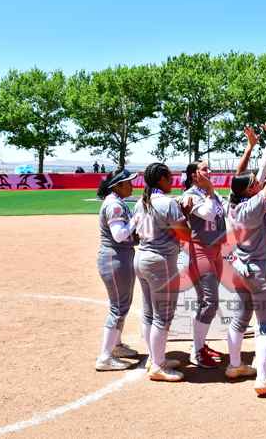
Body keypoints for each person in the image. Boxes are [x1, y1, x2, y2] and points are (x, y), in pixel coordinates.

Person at [225, 124, 266, 396]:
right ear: (249, 190)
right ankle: (263, 377)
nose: (257, 182)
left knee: (240, 317)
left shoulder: (233, 203)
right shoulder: (254, 206)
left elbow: (239, 176)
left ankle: (234, 365)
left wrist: (252, 147)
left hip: (239, 267)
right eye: (254, 183)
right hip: (258, 270)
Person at [133, 162, 192, 382]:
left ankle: (154, 358)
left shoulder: (141, 202)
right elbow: (185, 234)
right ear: (161, 179)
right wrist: (185, 214)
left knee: (149, 313)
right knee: (163, 316)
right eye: (169, 177)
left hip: (142, 257)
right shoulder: (168, 203)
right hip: (160, 262)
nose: (173, 181)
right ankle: (158, 365)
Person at [181, 159, 227, 369]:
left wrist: (211, 191)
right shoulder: (189, 195)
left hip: (216, 250)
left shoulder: (211, 193)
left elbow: (224, 211)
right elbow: (208, 213)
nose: (210, 171)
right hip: (201, 250)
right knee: (210, 302)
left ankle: (198, 344)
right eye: (205, 169)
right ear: (194, 175)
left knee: (204, 302)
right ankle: (197, 351)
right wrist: (209, 191)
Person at [94, 169, 141, 371]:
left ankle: (116, 345)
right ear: (117, 186)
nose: (132, 186)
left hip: (119, 257)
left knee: (122, 304)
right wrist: (136, 220)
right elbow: (120, 235)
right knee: (118, 307)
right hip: (115, 259)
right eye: (128, 182)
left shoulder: (116, 202)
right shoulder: (114, 205)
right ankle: (105, 357)